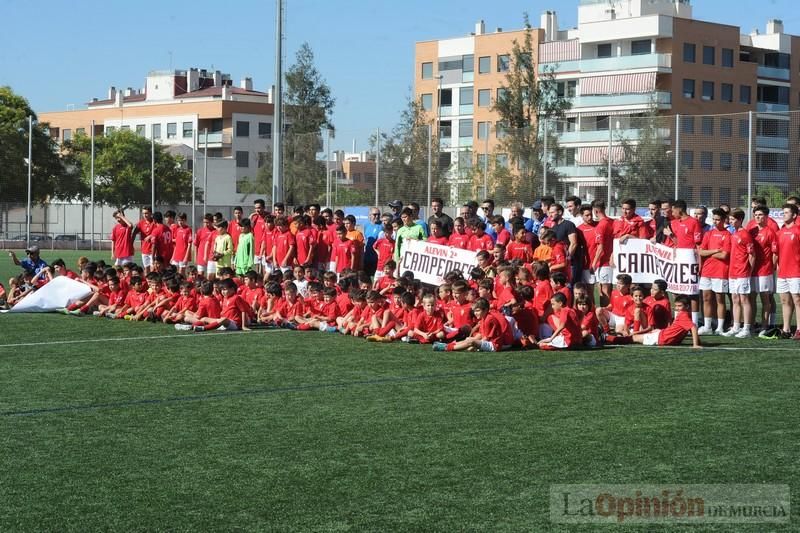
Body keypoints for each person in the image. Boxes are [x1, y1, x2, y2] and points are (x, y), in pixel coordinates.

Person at [433, 297, 513, 352]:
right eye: (474, 311)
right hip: (491, 343)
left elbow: (486, 338)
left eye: (477, 311)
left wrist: (476, 344)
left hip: (495, 345)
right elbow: (481, 334)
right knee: (469, 341)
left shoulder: (489, 319)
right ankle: (447, 345)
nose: (475, 313)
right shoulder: (484, 318)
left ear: (485, 310)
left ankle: (446, 348)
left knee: (471, 342)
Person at [697, 208, 731, 335]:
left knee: (719, 299)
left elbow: (724, 256)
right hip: (707, 271)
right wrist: (716, 250)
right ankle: (707, 326)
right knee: (706, 298)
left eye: (718, 220)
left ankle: (720, 327)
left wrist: (709, 253)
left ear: (723, 220)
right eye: (714, 219)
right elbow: (701, 252)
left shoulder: (727, 235)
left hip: (720, 271)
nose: (715, 222)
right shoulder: (708, 234)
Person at [722, 209, 754, 338]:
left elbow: (752, 255)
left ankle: (746, 328)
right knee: (734, 299)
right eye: (730, 219)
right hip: (733, 272)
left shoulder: (745, 234)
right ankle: (736, 326)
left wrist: (749, 272)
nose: (730, 221)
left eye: (733, 219)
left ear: (740, 220)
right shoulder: (733, 234)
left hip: (742, 272)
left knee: (744, 299)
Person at [631, 296, 701, 348]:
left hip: (661, 338)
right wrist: (697, 343)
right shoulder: (686, 314)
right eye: (676, 306)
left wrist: (696, 344)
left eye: (679, 306)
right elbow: (692, 328)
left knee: (634, 338)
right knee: (633, 337)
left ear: (687, 306)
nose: (677, 308)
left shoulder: (683, 315)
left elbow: (693, 328)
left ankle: (622, 337)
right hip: (661, 335)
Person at [750, 206, 777, 333]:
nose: (758, 217)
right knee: (751, 298)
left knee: (765, 299)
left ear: (766, 217)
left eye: (760, 215)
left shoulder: (770, 232)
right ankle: (752, 324)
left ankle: (765, 325)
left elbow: (775, 253)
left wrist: (771, 268)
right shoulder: (751, 231)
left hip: (765, 271)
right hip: (752, 270)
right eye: (756, 215)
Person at [775, 203, 800, 339]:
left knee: (797, 300)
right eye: (783, 212)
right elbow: (777, 253)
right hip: (782, 272)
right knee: (785, 301)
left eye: (786, 212)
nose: (783, 215)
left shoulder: (798, 230)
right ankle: (786, 329)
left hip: (796, 272)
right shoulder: (780, 232)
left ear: (794, 215)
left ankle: (799, 330)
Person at [132, 207, 156, 273]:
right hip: (144, 250)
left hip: (153, 251)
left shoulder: (155, 222)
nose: (145, 215)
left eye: (146, 213)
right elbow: (133, 233)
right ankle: (147, 283)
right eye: (143, 213)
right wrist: (131, 245)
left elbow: (159, 232)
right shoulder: (141, 223)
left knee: (153, 269)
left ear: (151, 213)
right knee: (146, 269)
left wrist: (151, 236)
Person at [363, 208, 384, 276]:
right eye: (375, 214)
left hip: (377, 257)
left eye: (378, 214)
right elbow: (366, 239)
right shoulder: (366, 225)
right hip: (367, 257)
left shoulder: (382, 226)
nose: (377, 216)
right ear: (370, 215)